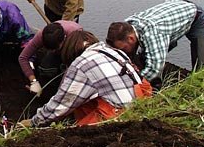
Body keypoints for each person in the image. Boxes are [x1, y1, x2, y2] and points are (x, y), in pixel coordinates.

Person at [22, 31, 152, 128]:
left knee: (73, 135)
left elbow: (61, 104)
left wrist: (34, 121)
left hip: (121, 117)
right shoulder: (113, 51)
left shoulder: (81, 64)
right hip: (143, 104)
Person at [106, 0, 204, 81]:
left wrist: (133, 83)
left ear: (131, 38)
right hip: (172, 19)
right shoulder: (127, 25)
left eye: (124, 48)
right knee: (144, 59)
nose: (123, 51)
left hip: (197, 18)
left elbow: (154, 70)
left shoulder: (153, 34)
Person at [19, 20, 83, 96]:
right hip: (60, 45)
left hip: (71, 49)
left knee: (65, 73)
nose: (53, 51)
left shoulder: (74, 40)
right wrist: (34, 81)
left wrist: (59, 95)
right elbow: (23, 57)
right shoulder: (41, 36)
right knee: (45, 69)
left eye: (56, 49)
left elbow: (70, 72)